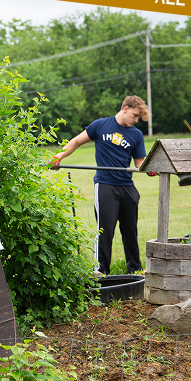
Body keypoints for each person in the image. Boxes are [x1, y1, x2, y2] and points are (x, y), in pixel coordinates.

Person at [50, 95, 156, 275]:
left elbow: (139, 163)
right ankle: (100, 272)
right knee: (104, 231)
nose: (136, 120)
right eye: (135, 115)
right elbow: (75, 142)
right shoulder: (100, 125)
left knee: (130, 232)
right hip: (105, 186)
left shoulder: (136, 134)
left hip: (127, 187)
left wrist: (150, 168)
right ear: (125, 109)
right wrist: (59, 156)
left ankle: (135, 272)